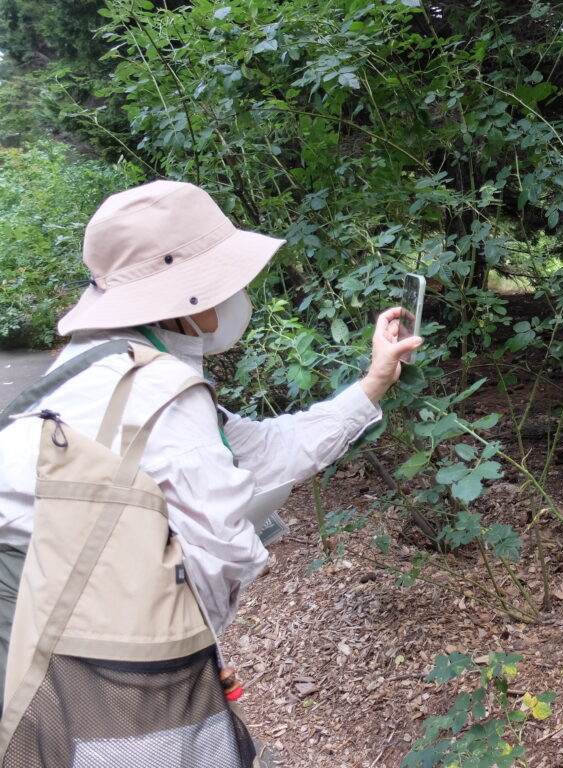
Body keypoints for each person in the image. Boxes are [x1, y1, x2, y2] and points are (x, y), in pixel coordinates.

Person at [0, 179, 421, 694]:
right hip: (49, 642)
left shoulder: (103, 361)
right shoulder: (160, 392)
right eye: (221, 277)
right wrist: (190, 667)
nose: (231, 294)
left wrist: (374, 382)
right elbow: (220, 554)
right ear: (182, 294)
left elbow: (263, 450)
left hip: (48, 615)